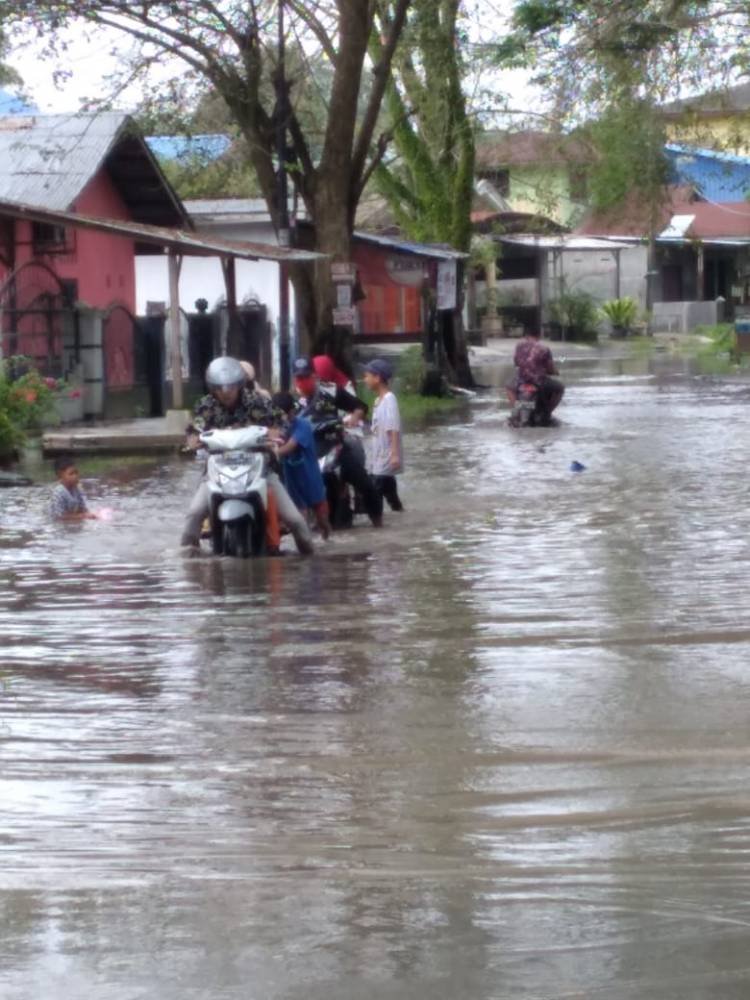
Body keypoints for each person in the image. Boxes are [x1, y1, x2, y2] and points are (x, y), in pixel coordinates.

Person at [181, 356, 314, 555]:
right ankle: (189, 562)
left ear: (239, 385)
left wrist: (275, 432)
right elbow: (193, 430)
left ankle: (311, 560)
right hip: (217, 471)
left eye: (230, 387)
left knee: (295, 521)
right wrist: (193, 440)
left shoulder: (257, 401)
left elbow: (283, 420)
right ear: (213, 387)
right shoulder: (205, 406)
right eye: (220, 388)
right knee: (193, 515)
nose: (226, 393)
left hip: (260, 470)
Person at [293, 356, 383, 527]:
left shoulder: (331, 390)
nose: (302, 382)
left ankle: (377, 521)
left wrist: (355, 417)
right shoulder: (293, 402)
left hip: (336, 447)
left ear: (314, 375)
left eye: (306, 377)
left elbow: (360, 406)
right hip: (310, 453)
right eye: (299, 378)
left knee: (366, 485)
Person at [270, 391, 331, 540]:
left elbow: (291, 446)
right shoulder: (277, 427)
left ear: (291, 411)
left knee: (322, 519)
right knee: (300, 516)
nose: (280, 418)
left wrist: (274, 453)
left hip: (311, 479)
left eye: (282, 414)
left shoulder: (303, 425)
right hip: (293, 480)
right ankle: (305, 545)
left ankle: (327, 539)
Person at [362, 359, 404, 512]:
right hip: (379, 455)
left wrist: (394, 455)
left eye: (367, 376)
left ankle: (377, 525)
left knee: (375, 492)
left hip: (386, 456)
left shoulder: (389, 399)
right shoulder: (377, 401)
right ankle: (399, 513)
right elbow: (377, 427)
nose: (364, 379)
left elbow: (393, 428)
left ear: (377, 378)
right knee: (389, 490)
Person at [506, 329, 564, 415]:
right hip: (539, 381)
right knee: (560, 388)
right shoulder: (544, 348)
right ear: (539, 336)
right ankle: (548, 412)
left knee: (509, 387)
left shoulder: (519, 346)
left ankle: (516, 412)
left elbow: (516, 362)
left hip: (521, 380)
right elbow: (550, 368)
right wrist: (555, 372)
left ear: (526, 336)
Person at [50, 455, 98, 521]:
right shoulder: (58, 492)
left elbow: (83, 508)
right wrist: (82, 516)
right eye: (71, 474)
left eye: (76, 472)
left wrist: (91, 514)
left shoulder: (77, 489)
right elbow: (59, 516)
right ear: (60, 475)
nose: (75, 476)